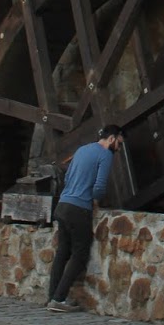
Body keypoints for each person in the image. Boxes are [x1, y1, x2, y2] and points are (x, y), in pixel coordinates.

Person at [46, 125, 123, 313]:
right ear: (111, 139)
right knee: (79, 255)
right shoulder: (105, 154)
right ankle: (58, 299)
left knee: (63, 252)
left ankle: (52, 296)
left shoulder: (82, 150)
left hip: (63, 204)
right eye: (119, 143)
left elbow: (67, 177)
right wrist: (96, 200)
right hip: (79, 209)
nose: (119, 148)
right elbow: (99, 186)